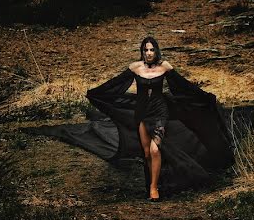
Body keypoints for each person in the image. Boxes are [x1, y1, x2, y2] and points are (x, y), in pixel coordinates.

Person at [81, 36, 234, 200]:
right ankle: (153, 183)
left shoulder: (164, 66)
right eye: (145, 50)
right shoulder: (135, 67)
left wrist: (204, 97)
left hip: (159, 112)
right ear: (142, 51)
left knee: (155, 149)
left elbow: (183, 85)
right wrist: (95, 93)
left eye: (151, 49)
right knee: (147, 153)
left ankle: (154, 189)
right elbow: (114, 84)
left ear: (156, 50)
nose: (148, 53)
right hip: (141, 113)